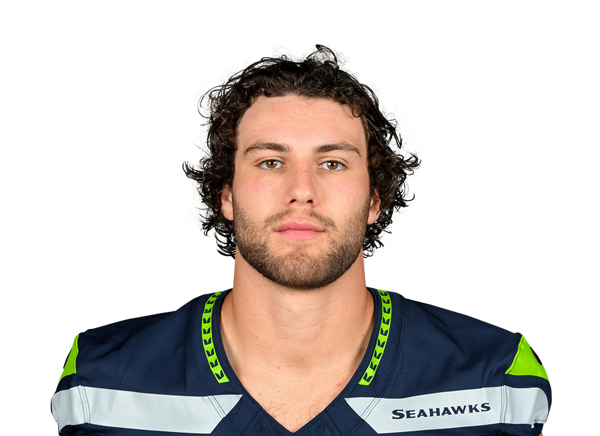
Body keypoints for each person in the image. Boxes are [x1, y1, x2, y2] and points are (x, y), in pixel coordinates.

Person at [51, 43, 551, 435]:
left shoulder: (498, 377)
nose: (302, 190)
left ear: (375, 199)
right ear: (226, 194)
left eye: (332, 163)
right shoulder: (99, 379)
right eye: (271, 161)